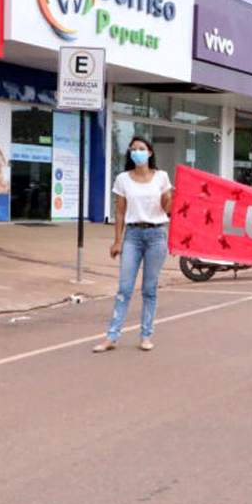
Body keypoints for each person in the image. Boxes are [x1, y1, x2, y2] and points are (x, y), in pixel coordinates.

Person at [94, 137, 172, 353]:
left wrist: (176, 198)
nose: (137, 152)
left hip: (157, 234)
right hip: (133, 235)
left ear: (149, 153)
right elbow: (119, 212)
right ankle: (112, 336)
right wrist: (117, 240)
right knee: (124, 288)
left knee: (149, 289)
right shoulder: (123, 179)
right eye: (133, 149)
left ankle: (146, 335)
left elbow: (168, 207)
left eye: (141, 148)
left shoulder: (161, 177)